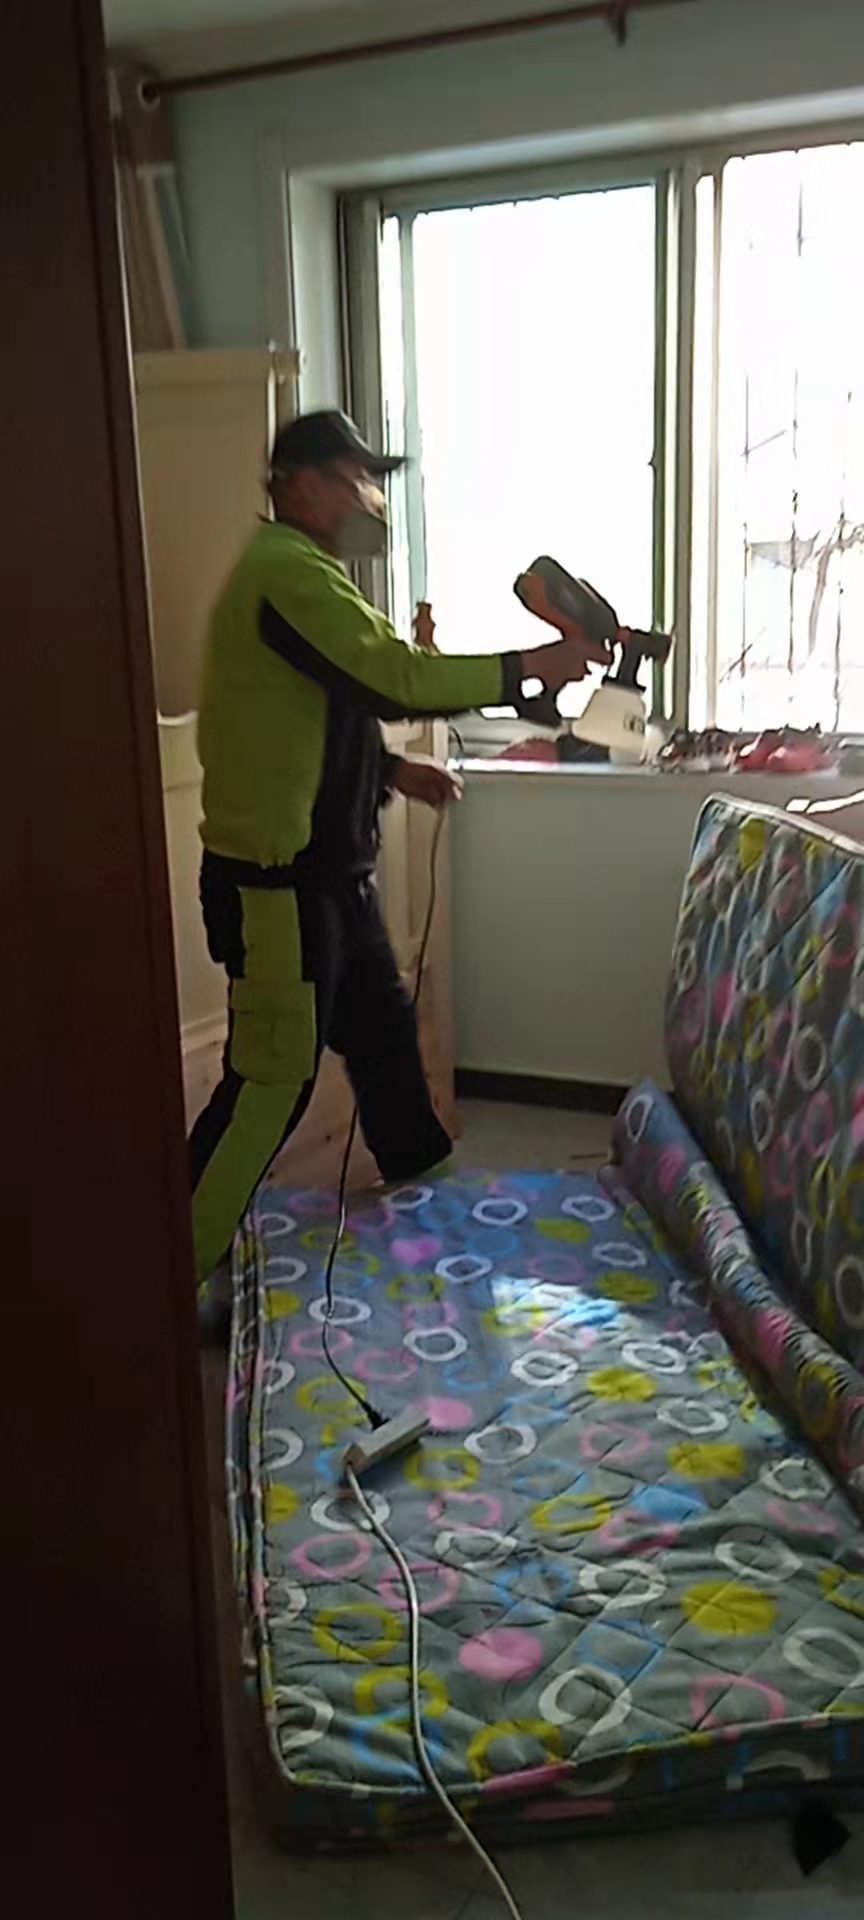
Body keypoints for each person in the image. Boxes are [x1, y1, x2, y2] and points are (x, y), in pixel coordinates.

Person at [189, 409, 608, 1285]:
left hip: (334, 880)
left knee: (384, 1044)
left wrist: (391, 773)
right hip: (278, 886)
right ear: (299, 484)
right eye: (354, 479)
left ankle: (431, 1214)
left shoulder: (311, 575)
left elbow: (314, 716)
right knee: (270, 1083)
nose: (368, 500)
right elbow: (395, 678)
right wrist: (527, 668)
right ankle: (172, 1270)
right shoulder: (284, 572)